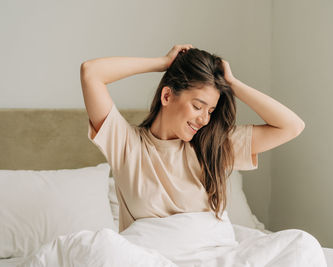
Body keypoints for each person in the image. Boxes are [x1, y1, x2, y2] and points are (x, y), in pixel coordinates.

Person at [80, 44, 305, 233]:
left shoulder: (212, 146)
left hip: (211, 256)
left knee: (300, 245)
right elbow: (91, 72)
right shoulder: (126, 144)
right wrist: (162, 63)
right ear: (167, 96)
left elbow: (291, 126)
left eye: (210, 111)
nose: (204, 120)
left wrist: (233, 83)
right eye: (198, 106)